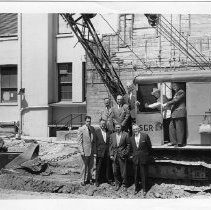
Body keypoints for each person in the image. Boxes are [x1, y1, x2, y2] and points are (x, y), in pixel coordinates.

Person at [129, 124, 152, 196]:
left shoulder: (145, 136)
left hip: (143, 158)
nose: (135, 130)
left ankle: (144, 189)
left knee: (143, 174)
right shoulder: (131, 138)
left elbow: (149, 147)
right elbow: (130, 149)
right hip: (135, 159)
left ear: (139, 129)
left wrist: (146, 155)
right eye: (133, 129)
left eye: (136, 129)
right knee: (135, 175)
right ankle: (136, 189)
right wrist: (132, 156)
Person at [163, 82, 186, 147]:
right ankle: (173, 142)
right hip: (175, 113)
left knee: (179, 128)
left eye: (175, 85)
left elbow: (175, 100)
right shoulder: (176, 93)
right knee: (171, 127)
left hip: (179, 112)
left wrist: (167, 103)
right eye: (173, 86)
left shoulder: (181, 92)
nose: (174, 87)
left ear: (179, 85)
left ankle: (180, 143)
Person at [109, 123, 130, 191]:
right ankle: (117, 184)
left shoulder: (125, 134)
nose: (117, 128)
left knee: (123, 171)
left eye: (119, 127)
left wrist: (125, 153)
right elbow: (110, 146)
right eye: (116, 127)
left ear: (121, 128)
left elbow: (128, 145)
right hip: (114, 156)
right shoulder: (112, 135)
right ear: (115, 128)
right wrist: (111, 154)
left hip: (122, 155)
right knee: (115, 171)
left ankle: (124, 185)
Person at [77, 115, 96, 186]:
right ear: (85, 121)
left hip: (91, 151)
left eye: (90, 121)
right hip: (84, 151)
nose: (89, 122)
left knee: (91, 166)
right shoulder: (81, 129)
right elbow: (79, 141)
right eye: (87, 121)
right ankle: (82, 180)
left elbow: (93, 141)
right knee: (84, 167)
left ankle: (89, 179)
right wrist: (81, 151)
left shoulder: (92, 128)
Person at [94, 119, 114, 187]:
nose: (103, 125)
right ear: (99, 124)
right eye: (101, 124)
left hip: (107, 152)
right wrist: (95, 152)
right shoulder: (96, 132)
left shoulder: (109, 132)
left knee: (108, 166)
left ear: (105, 124)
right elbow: (94, 142)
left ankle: (109, 180)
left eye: (104, 124)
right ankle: (97, 181)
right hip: (100, 152)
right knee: (98, 167)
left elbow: (111, 142)